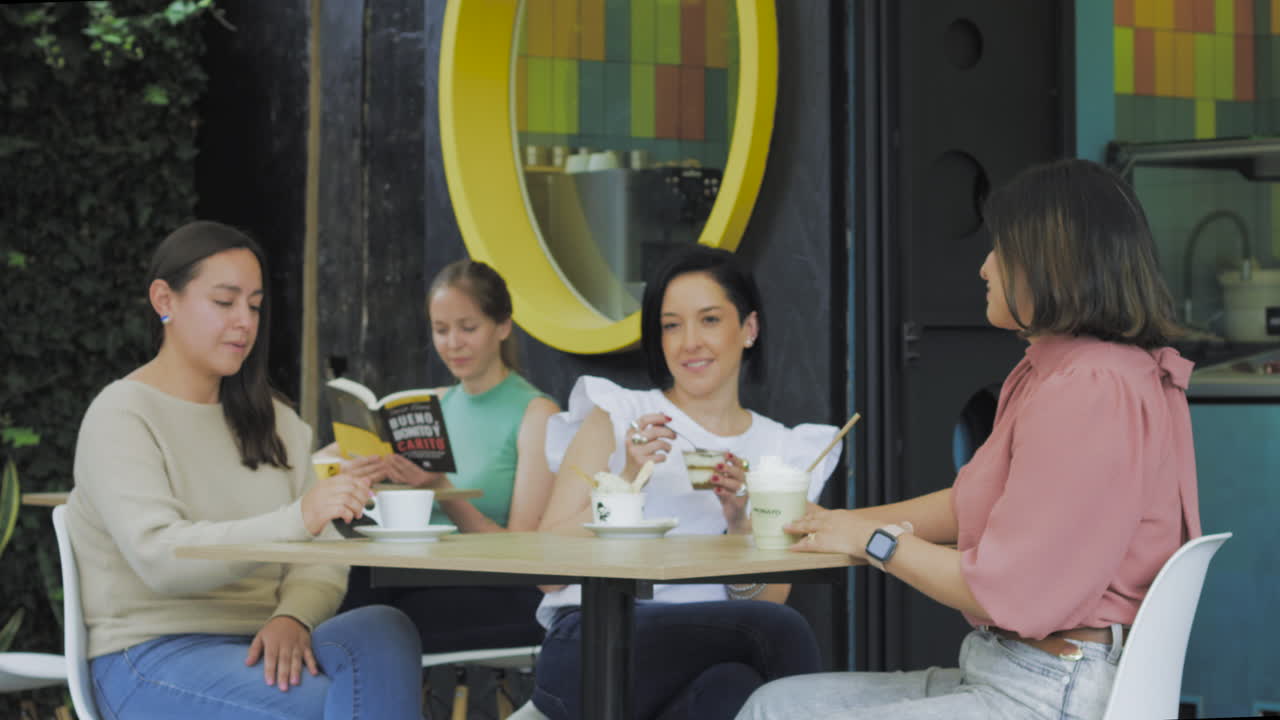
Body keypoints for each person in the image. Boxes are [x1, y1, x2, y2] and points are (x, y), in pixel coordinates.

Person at [737, 158, 1201, 720]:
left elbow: (1005, 590)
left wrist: (874, 542)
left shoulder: (1090, 389)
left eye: (1000, 250)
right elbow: (968, 505)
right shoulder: (1062, 372)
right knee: (774, 704)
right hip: (1014, 670)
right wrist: (837, 523)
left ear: (1050, 260)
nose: (984, 268)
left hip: (1049, 691)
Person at [69, 221, 423, 720]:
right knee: (351, 705)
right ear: (164, 300)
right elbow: (161, 560)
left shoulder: (277, 421)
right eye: (225, 302)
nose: (244, 322)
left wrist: (293, 616)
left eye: (254, 306)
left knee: (384, 628)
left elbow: (323, 555)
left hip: (265, 647)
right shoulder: (122, 415)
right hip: (149, 657)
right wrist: (298, 518)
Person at [532, 245, 843, 720]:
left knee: (733, 686)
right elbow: (546, 572)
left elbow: (768, 597)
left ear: (750, 328)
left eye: (710, 320)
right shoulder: (620, 415)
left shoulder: (781, 451)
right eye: (671, 325)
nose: (689, 342)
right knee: (780, 632)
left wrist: (741, 522)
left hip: (708, 660)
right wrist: (626, 480)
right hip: (592, 643)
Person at [334, 259, 560, 652]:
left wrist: (441, 488)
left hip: (497, 589)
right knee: (338, 590)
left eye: (468, 328)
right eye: (441, 330)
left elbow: (523, 556)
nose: (453, 343)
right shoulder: (429, 407)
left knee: (361, 622)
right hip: (411, 576)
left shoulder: (536, 414)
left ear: (503, 327)